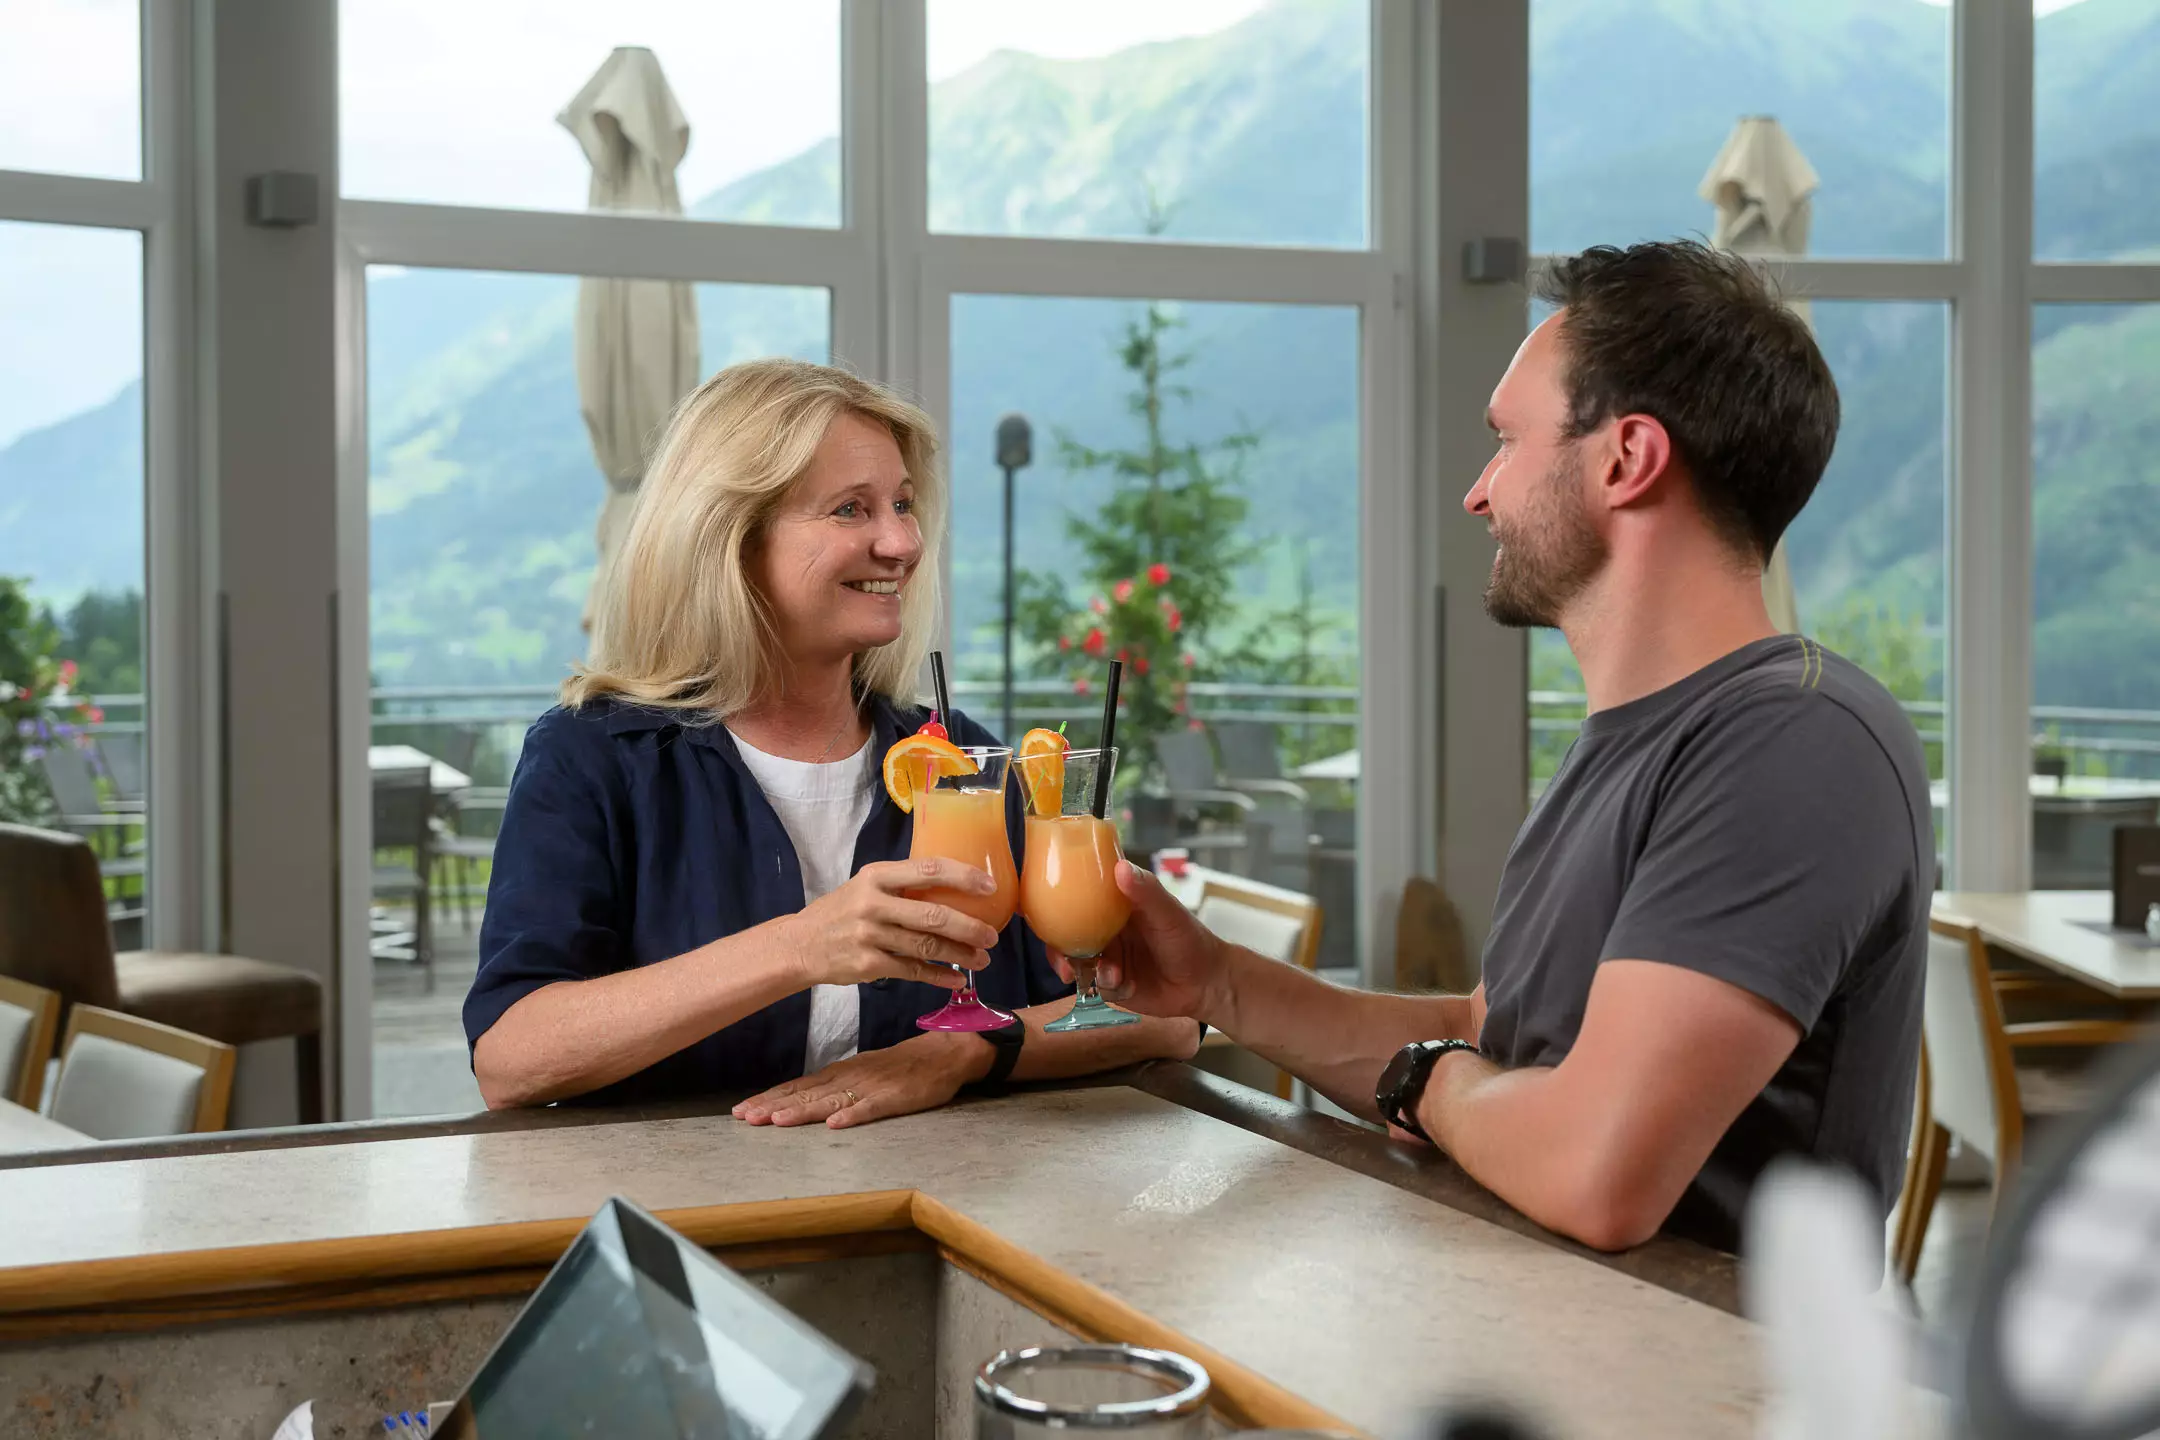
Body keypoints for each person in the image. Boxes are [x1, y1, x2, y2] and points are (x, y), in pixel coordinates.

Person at [1056, 241, 1931, 1254]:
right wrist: (1216, 981)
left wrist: (1430, 1083)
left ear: (1626, 459)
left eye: (1507, 441)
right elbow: (1496, 1035)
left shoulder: (1794, 745)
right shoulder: (1641, 742)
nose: (1480, 493)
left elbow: (1594, 1171)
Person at [466, 358, 1199, 1123]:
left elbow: (1170, 1010)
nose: (902, 543)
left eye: (903, 505)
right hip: (679, 1208)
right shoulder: (594, 758)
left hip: (951, 1200)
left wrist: (959, 1053)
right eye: (851, 509)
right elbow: (512, 1059)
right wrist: (802, 947)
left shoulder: (965, 766)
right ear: (730, 538)